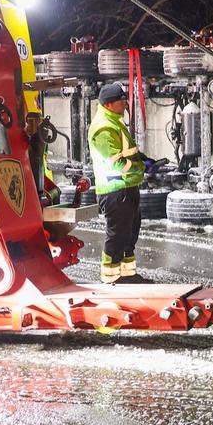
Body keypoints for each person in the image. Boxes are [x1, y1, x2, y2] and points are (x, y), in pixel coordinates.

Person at [88, 82, 146, 284]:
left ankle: (128, 275)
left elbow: (125, 151)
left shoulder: (113, 120)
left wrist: (144, 159)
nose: (125, 103)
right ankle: (111, 279)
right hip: (115, 190)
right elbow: (116, 162)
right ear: (110, 104)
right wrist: (140, 167)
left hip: (126, 187)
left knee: (129, 235)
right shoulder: (104, 127)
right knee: (117, 237)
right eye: (122, 100)